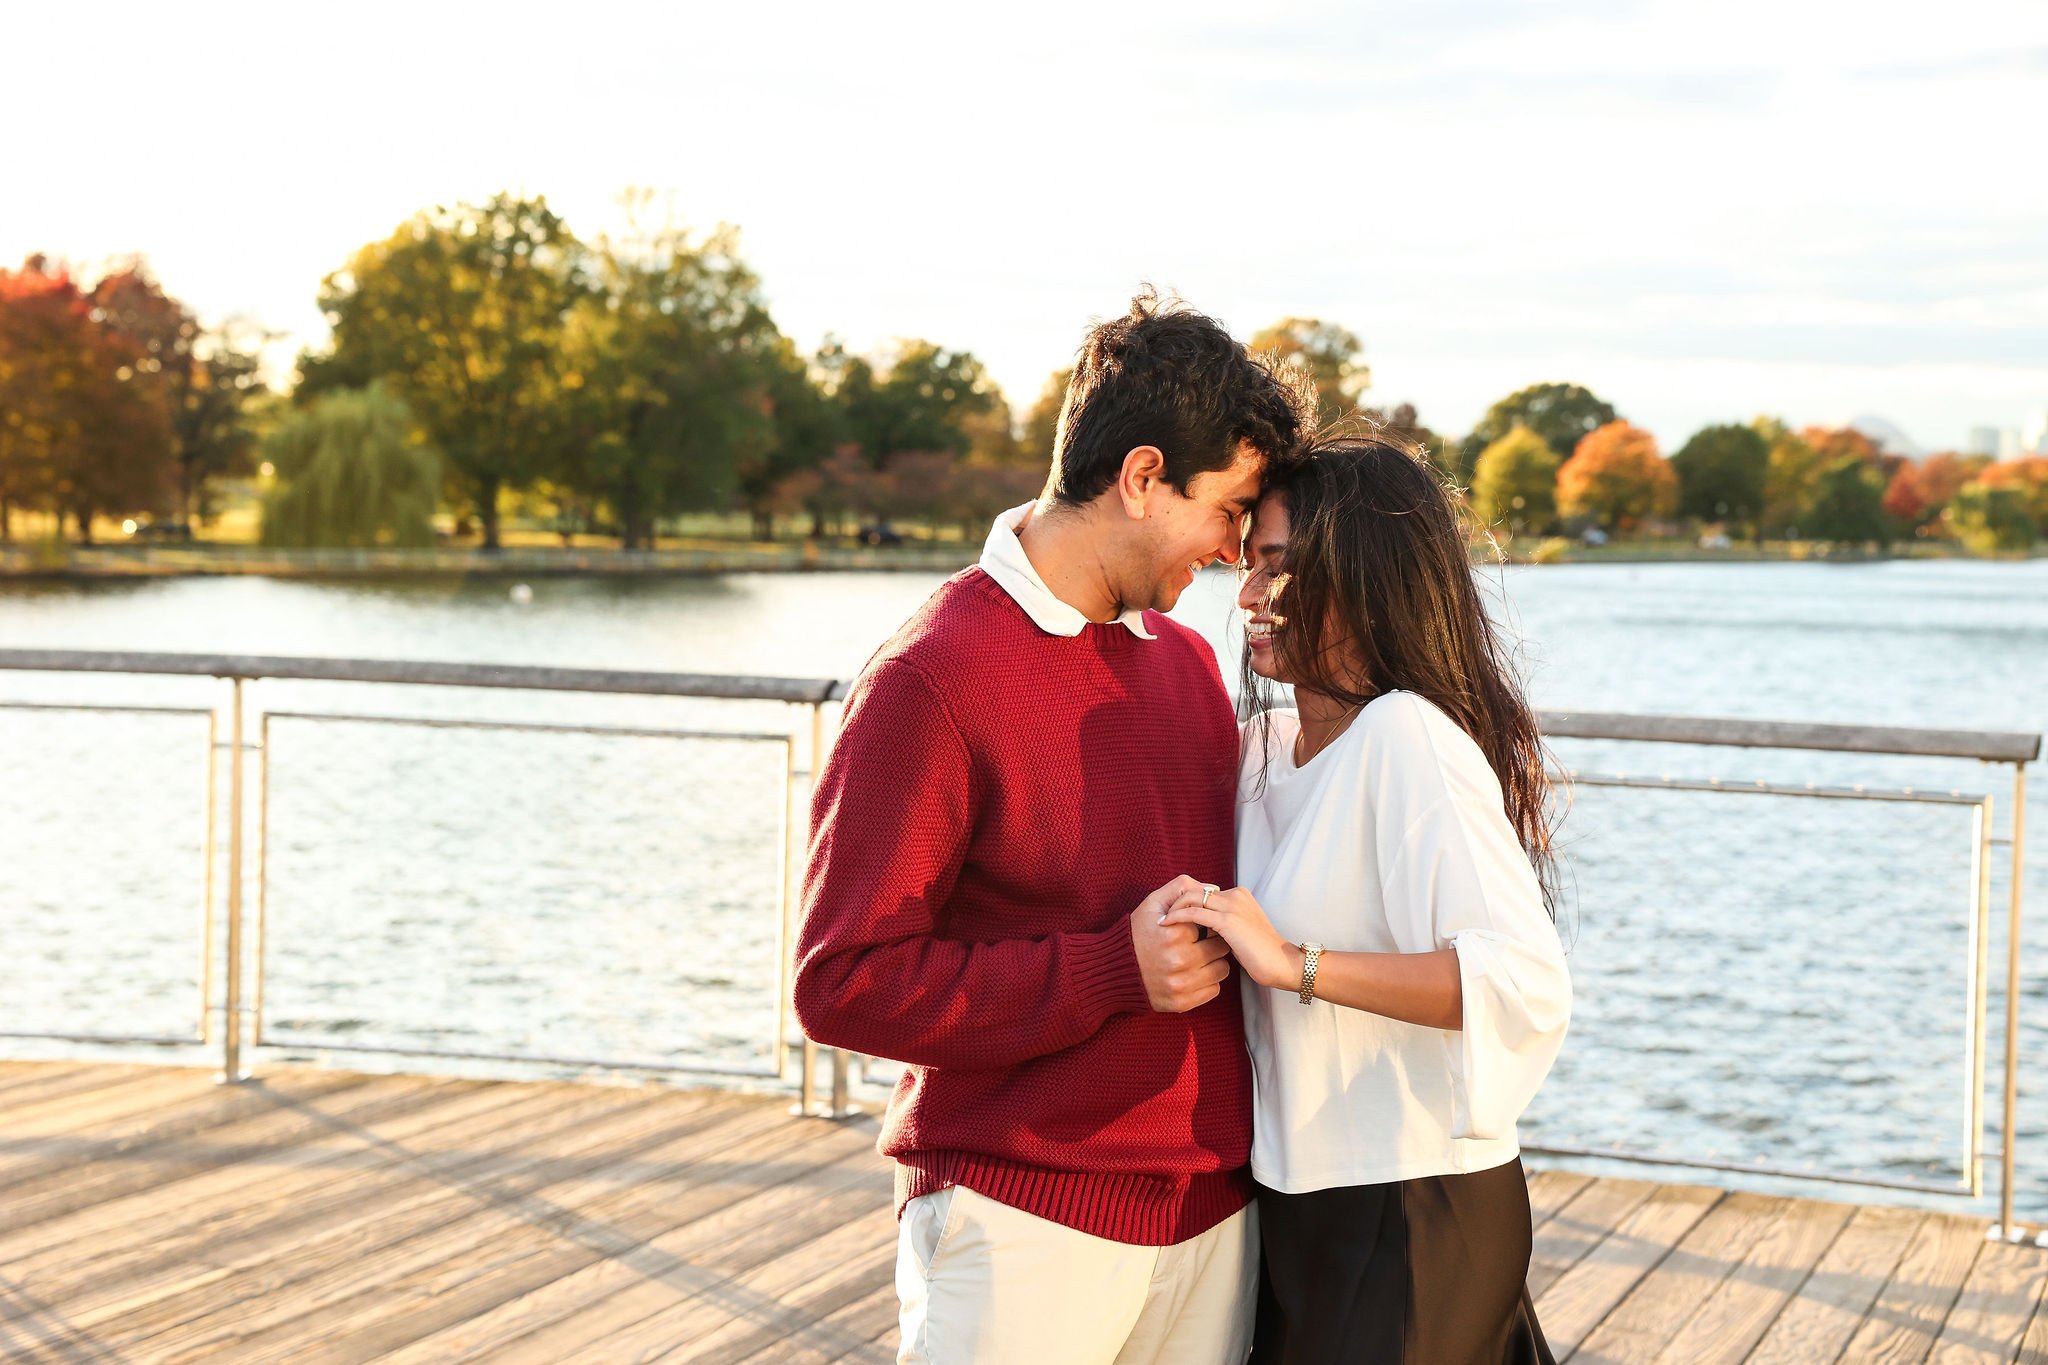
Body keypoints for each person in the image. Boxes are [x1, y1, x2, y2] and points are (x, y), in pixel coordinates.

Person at [793, 291, 1315, 1365]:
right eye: (1226, 512)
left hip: (1209, 1217)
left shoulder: (1178, 662)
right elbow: (840, 982)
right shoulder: (928, 680)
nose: (1229, 553)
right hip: (1020, 1221)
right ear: (1139, 478)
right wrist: (1102, 973)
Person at [1158, 435, 1571, 1365]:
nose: (1253, 597)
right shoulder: (1263, 748)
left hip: (1414, 1206)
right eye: (1249, 567)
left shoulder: (1407, 738)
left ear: (1367, 580)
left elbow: (1521, 980)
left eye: (1283, 571)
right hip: (1293, 1205)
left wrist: (1288, 963)